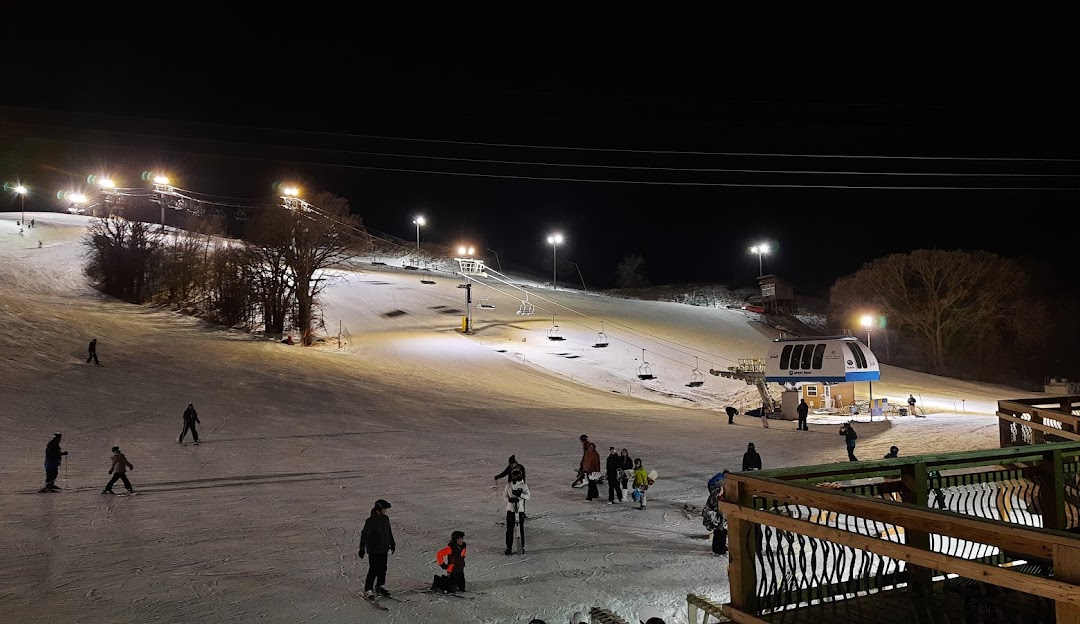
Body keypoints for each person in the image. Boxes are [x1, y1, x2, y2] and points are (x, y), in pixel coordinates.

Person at [358, 499, 396, 599]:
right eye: (384, 509)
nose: (385, 511)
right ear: (379, 509)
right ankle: (368, 589)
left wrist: (392, 543)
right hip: (374, 549)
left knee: (383, 568)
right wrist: (362, 549)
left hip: (384, 548)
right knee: (373, 569)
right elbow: (364, 535)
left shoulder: (385, 519)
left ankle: (380, 586)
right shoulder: (371, 521)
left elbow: (388, 532)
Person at [504, 468, 530, 555]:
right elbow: (504, 496)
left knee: (520, 529)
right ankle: (509, 547)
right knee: (509, 530)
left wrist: (520, 494)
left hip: (520, 511)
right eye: (514, 475)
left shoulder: (523, 485)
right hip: (510, 510)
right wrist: (509, 499)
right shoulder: (509, 485)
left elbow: (528, 497)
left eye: (517, 475)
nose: (515, 477)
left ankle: (521, 547)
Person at [702, 481, 727, 556]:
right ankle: (719, 549)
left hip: (717, 516)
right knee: (720, 532)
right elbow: (717, 507)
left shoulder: (716, 494)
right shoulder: (716, 495)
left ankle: (719, 548)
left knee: (720, 531)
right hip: (716, 517)